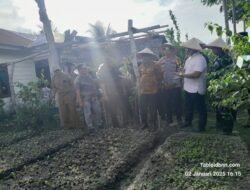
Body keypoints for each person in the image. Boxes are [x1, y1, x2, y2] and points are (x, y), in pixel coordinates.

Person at [176, 38, 207, 132]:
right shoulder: (189, 59)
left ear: (192, 49)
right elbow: (185, 70)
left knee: (200, 108)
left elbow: (197, 74)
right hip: (188, 87)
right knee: (188, 106)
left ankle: (201, 127)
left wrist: (182, 75)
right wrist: (181, 71)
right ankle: (188, 122)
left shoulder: (200, 59)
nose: (186, 50)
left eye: (187, 48)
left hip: (197, 88)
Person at [206, 38, 236, 130]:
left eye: (213, 49)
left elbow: (214, 70)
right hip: (218, 87)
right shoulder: (218, 58)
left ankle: (227, 128)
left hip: (225, 87)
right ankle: (219, 126)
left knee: (226, 108)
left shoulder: (226, 58)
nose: (212, 51)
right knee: (219, 107)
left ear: (219, 48)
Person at [157, 43, 183, 127]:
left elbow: (180, 71)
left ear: (172, 50)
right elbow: (159, 73)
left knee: (177, 103)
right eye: (165, 49)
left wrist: (174, 83)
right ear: (163, 51)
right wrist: (163, 83)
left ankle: (179, 119)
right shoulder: (160, 61)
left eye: (168, 49)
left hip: (175, 85)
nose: (167, 51)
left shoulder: (177, 59)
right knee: (166, 103)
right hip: (165, 85)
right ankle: (169, 119)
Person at [137, 48, 162, 130]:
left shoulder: (156, 65)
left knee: (152, 109)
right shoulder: (140, 66)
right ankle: (144, 123)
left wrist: (155, 83)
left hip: (153, 91)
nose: (144, 58)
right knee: (143, 108)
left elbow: (160, 77)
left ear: (150, 57)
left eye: (146, 57)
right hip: (143, 91)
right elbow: (139, 76)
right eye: (143, 57)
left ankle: (153, 124)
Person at [75, 63, 103, 130]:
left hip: (93, 96)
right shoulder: (77, 79)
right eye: (83, 69)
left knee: (98, 111)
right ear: (79, 70)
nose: (85, 70)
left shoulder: (89, 76)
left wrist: (97, 94)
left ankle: (99, 124)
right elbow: (77, 91)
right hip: (85, 98)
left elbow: (94, 85)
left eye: (85, 68)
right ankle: (90, 126)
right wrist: (80, 101)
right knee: (88, 113)